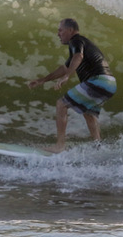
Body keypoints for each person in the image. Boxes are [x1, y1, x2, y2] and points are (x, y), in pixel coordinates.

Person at [28, 18, 117, 153]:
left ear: (70, 30)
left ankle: (60, 145)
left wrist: (67, 76)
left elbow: (78, 57)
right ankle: (98, 148)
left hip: (98, 80)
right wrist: (42, 80)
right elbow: (64, 67)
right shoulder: (82, 44)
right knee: (89, 113)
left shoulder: (76, 41)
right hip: (109, 83)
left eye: (60, 30)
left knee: (61, 104)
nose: (58, 34)